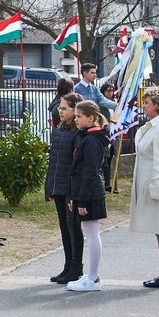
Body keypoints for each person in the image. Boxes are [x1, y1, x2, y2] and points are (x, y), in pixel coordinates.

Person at [129, 86, 159, 288]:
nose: (144, 106)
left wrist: (155, 191)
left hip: (158, 187)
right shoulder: (152, 126)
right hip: (149, 183)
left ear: (158, 105)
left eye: (147, 103)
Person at [66, 100, 109, 292]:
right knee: (90, 233)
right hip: (84, 192)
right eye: (75, 116)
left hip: (90, 194)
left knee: (92, 234)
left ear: (90, 118)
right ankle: (91, 274)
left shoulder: (91, 140)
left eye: (79, 116)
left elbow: (90, 172)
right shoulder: (86, 137)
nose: (75, 120)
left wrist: (81, 200)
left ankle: (93, 277)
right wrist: (74, 197)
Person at [44, 92, 84, 284]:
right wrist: (49, 187)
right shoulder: (59, 130)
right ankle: (68, 264)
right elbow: (54, 162)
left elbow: (76, 165)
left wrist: (74, 192)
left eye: (64, 108)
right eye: (59, 108)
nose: (60, 111)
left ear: (75, 110)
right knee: (63, 227)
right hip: (58, 186)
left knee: (73, 227)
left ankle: (77, 267)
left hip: (70, 188)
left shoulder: (77, 133)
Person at [99, 83, 118, 192]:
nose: (110, 93)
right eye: (107, 91)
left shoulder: (114, 104)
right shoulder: (102, 105)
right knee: (104, 160)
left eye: (111, 91)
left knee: (110, 159)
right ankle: (105, 183)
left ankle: (110, 184)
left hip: (113, 134)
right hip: (105, 134)